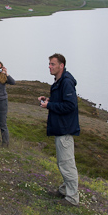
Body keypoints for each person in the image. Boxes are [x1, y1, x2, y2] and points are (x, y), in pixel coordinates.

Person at [38, 53, 80, 206]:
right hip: (61, 128)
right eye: (49, 64)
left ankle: (72, 198)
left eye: (52, 64)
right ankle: (64, 190)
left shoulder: (66, 82)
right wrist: (49, 101)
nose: (49, 66)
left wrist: (49, 105)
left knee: (67, 164)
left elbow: (70, 105)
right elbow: (62, 102)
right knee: (64, 162)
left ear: (61, 66)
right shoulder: (59, 81)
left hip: (65, 129)